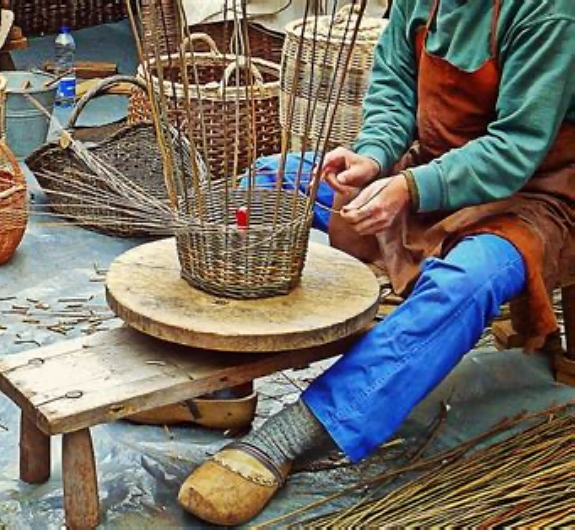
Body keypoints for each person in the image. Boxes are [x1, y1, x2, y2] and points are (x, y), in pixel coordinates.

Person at [178, 0, 574, 525]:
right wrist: (372, 157)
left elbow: (514, 148)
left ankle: (291, 435)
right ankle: (213, 378)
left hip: (534, 197)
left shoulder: (549, 12)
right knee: (263, 184)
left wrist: (410, 188)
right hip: (427, 176)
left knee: (465, 283)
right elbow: (391, 90)